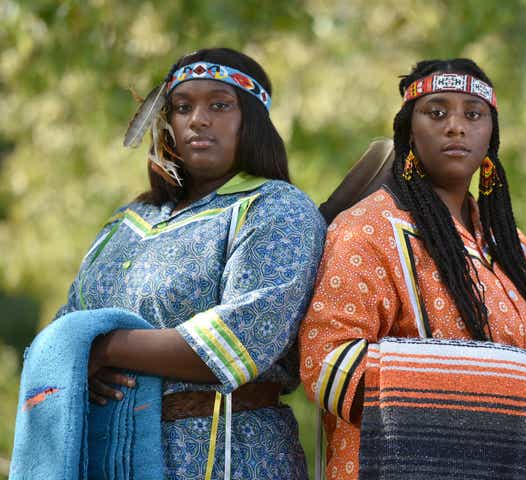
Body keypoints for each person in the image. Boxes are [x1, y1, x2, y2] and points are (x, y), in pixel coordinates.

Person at [299, 58, 526, 479]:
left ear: (491, 134)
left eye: (473, 114)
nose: (456, 126)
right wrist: (501, 397)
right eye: (437, 112)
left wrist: (513, 412)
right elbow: (328, 364)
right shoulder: (366, 230)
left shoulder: (512, 246)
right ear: (410, 130)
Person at [55, 47, 326, 479]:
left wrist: (100, 349)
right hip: (108, 456)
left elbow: (237, 341)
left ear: (251, 121)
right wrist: (73, 359)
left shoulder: (276, 209)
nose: (198, 119)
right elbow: (65, 326)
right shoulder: (126, 223)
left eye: (220, 105)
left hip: (227, 457)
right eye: (182, 107)